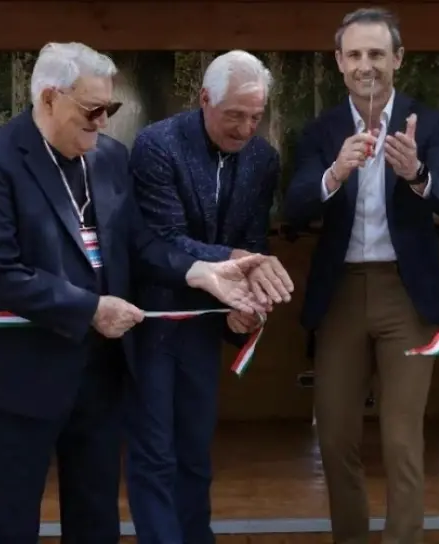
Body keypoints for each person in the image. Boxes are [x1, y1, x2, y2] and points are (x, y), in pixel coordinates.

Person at [0, 41, 280, 544]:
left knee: (96, 522)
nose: (103, 121)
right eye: (92, 109)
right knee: (9, 524)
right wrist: (91, 309)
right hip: (17, 377)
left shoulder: (108, 159)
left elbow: (141, 243)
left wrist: (201, 272)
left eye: (111, 108)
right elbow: (0, 273)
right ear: (47, 99)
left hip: (98, 376)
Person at [283, 7, 439, 543]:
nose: (367, 66)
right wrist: (334, 172)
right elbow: (293, 207)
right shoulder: (321, 131)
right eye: (356, 55)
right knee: (337, 437)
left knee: (401, 438)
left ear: (398, 60)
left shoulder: (426, 124)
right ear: (340, 63)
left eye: (378, 55)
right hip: (339, 292)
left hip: (405, 293)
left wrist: (417, 173)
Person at [125, 50, 291, 544]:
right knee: (154, 453)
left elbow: (254, 240)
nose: (245, 129)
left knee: (195, 450)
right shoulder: (157, 145)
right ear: (204, 100)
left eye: (255, 117)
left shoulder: (264, 160)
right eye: (234, 115)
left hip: (203, 321)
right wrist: (242, 262)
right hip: (153, 316)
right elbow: (164, 240)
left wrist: (242, 310)